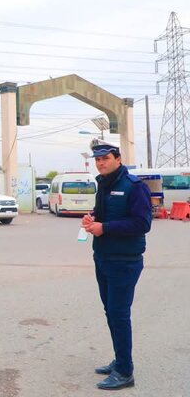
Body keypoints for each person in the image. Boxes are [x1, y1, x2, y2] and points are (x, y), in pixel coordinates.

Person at [81, 142, 152, 391]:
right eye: (97, 160)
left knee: (119, 314)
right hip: (103, 257)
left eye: (106, 158)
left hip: (125, 260)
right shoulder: (103, 183)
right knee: (111, 312)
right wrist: (92, 218)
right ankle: (119, 359)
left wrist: (105, 228)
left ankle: (125, 371)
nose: (100, 163)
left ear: (118, 159)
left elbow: (142, 223)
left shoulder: (134, 187)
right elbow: (104, 214)